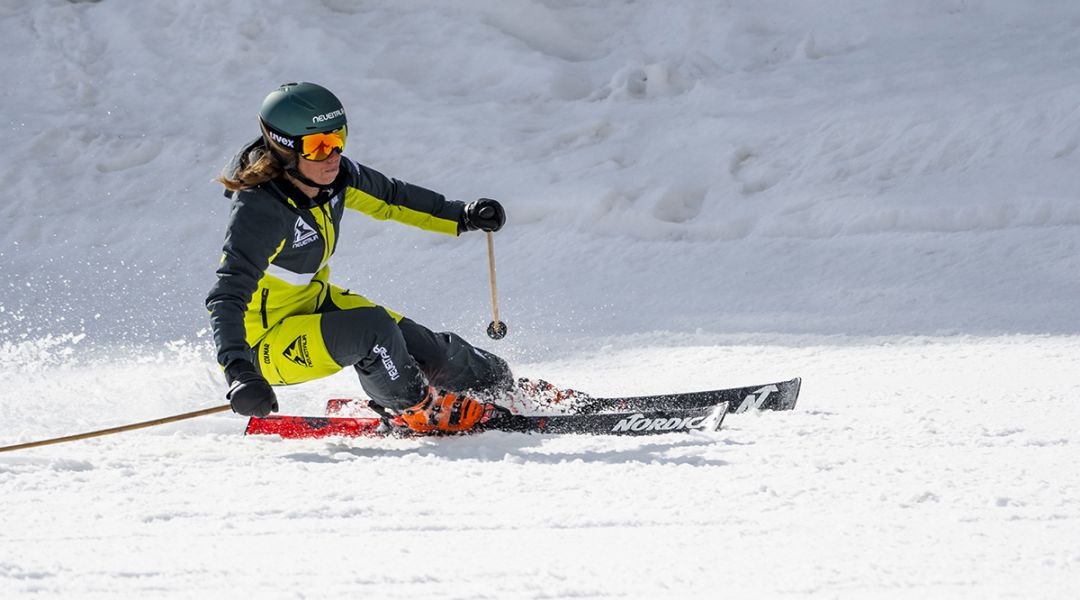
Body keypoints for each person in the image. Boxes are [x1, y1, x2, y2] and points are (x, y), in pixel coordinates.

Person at [206, 82, 512, 433]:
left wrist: (462, 215)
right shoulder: (261, 210)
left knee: (435, 353)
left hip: (313, 303)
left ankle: (499, 386)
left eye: (337, 138)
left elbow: (393, 198)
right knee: (373, 331)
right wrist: (240, 373)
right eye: (318, 146)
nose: (333, 155)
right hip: (264, 343)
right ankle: (415, 408)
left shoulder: (334, 179)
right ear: (285, 149)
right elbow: (226, 296)